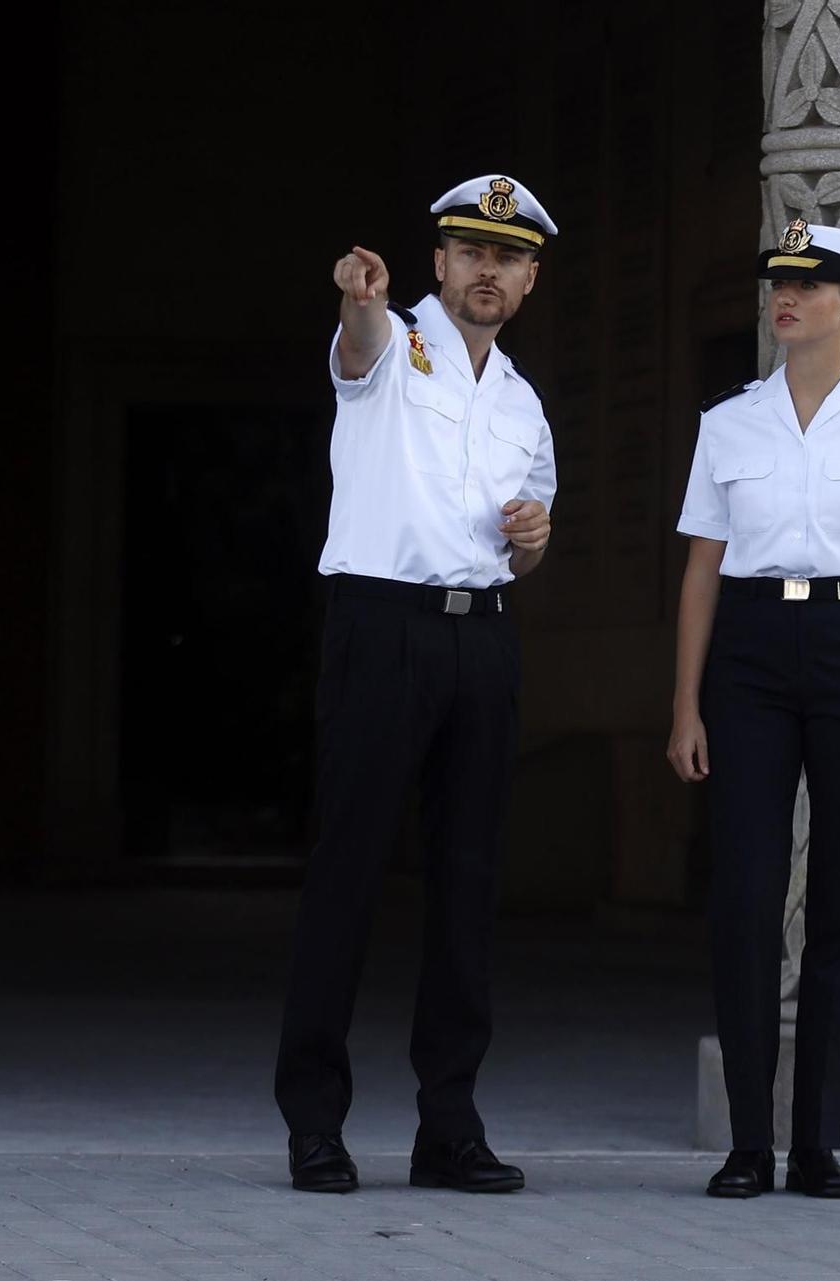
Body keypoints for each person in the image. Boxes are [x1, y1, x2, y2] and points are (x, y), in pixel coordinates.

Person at [275, 174, 558, 1195]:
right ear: (439, 263)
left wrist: (532, 540)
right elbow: (356, 347)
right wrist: (357, 296)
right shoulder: (393, 344)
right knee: (348, 869)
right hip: (380, 628)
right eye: (470, 253)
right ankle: (314, 1122)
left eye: (508, 257)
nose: (488, 271)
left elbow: (525, 543)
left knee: (469, 884)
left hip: (480, 641)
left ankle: (449, 1124)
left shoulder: (523, 403)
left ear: (528, 279)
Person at [668, 219, 840, 1199]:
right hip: (746, 653)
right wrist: (684, 704)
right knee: (744, 899)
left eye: (808, 282)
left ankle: (817, 1142)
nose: (784, 296)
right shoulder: (727, 420)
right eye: (778, 280)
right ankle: (748, 1142)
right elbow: (700, 571)